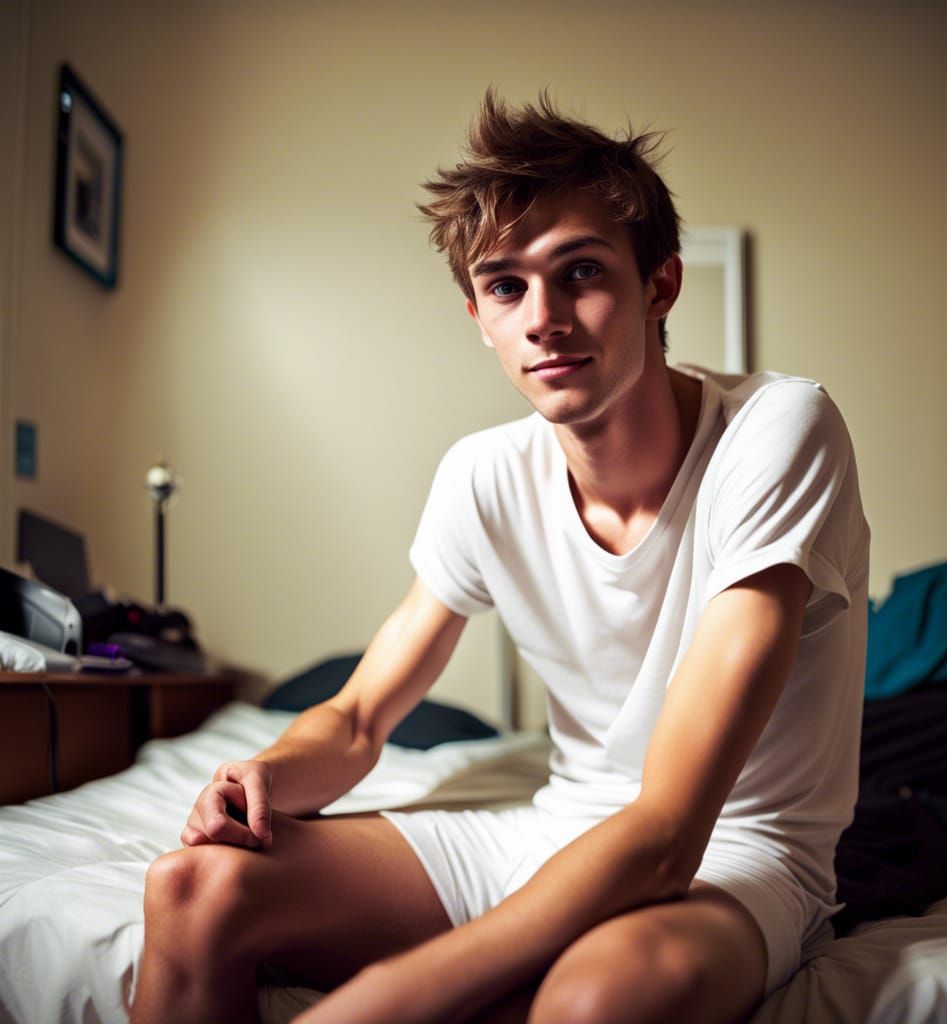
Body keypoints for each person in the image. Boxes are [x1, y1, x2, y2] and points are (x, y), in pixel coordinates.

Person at [131, 91, 869, 1024]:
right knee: (192, 889)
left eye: (582, 272)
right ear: (478, 314)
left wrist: (396, 993)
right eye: (506, 286)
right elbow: (359, 718)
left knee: (595, 999)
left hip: (737, 851)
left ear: (660, 286)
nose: (543, 318)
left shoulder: (780, 429)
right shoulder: (483, 473)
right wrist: (265, 776)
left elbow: (669, 834)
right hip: (554, 827)